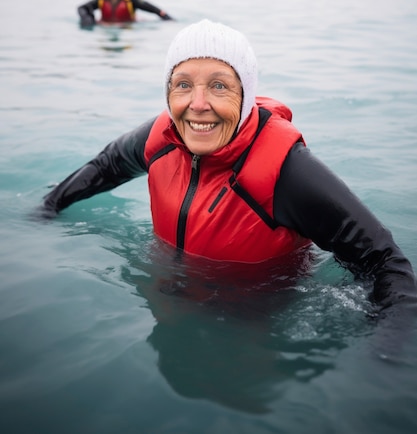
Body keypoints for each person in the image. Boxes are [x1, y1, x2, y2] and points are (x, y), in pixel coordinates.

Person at [39, 19, 417, 315]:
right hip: (171, 305)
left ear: (246, 94)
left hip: (258, 320)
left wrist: (385, 355)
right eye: (183, 85)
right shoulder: (160, 139)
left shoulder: (285, 172)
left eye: (219, 86)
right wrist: (47, 209)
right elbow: (106, 165)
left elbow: (384, 262)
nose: (197, 104)